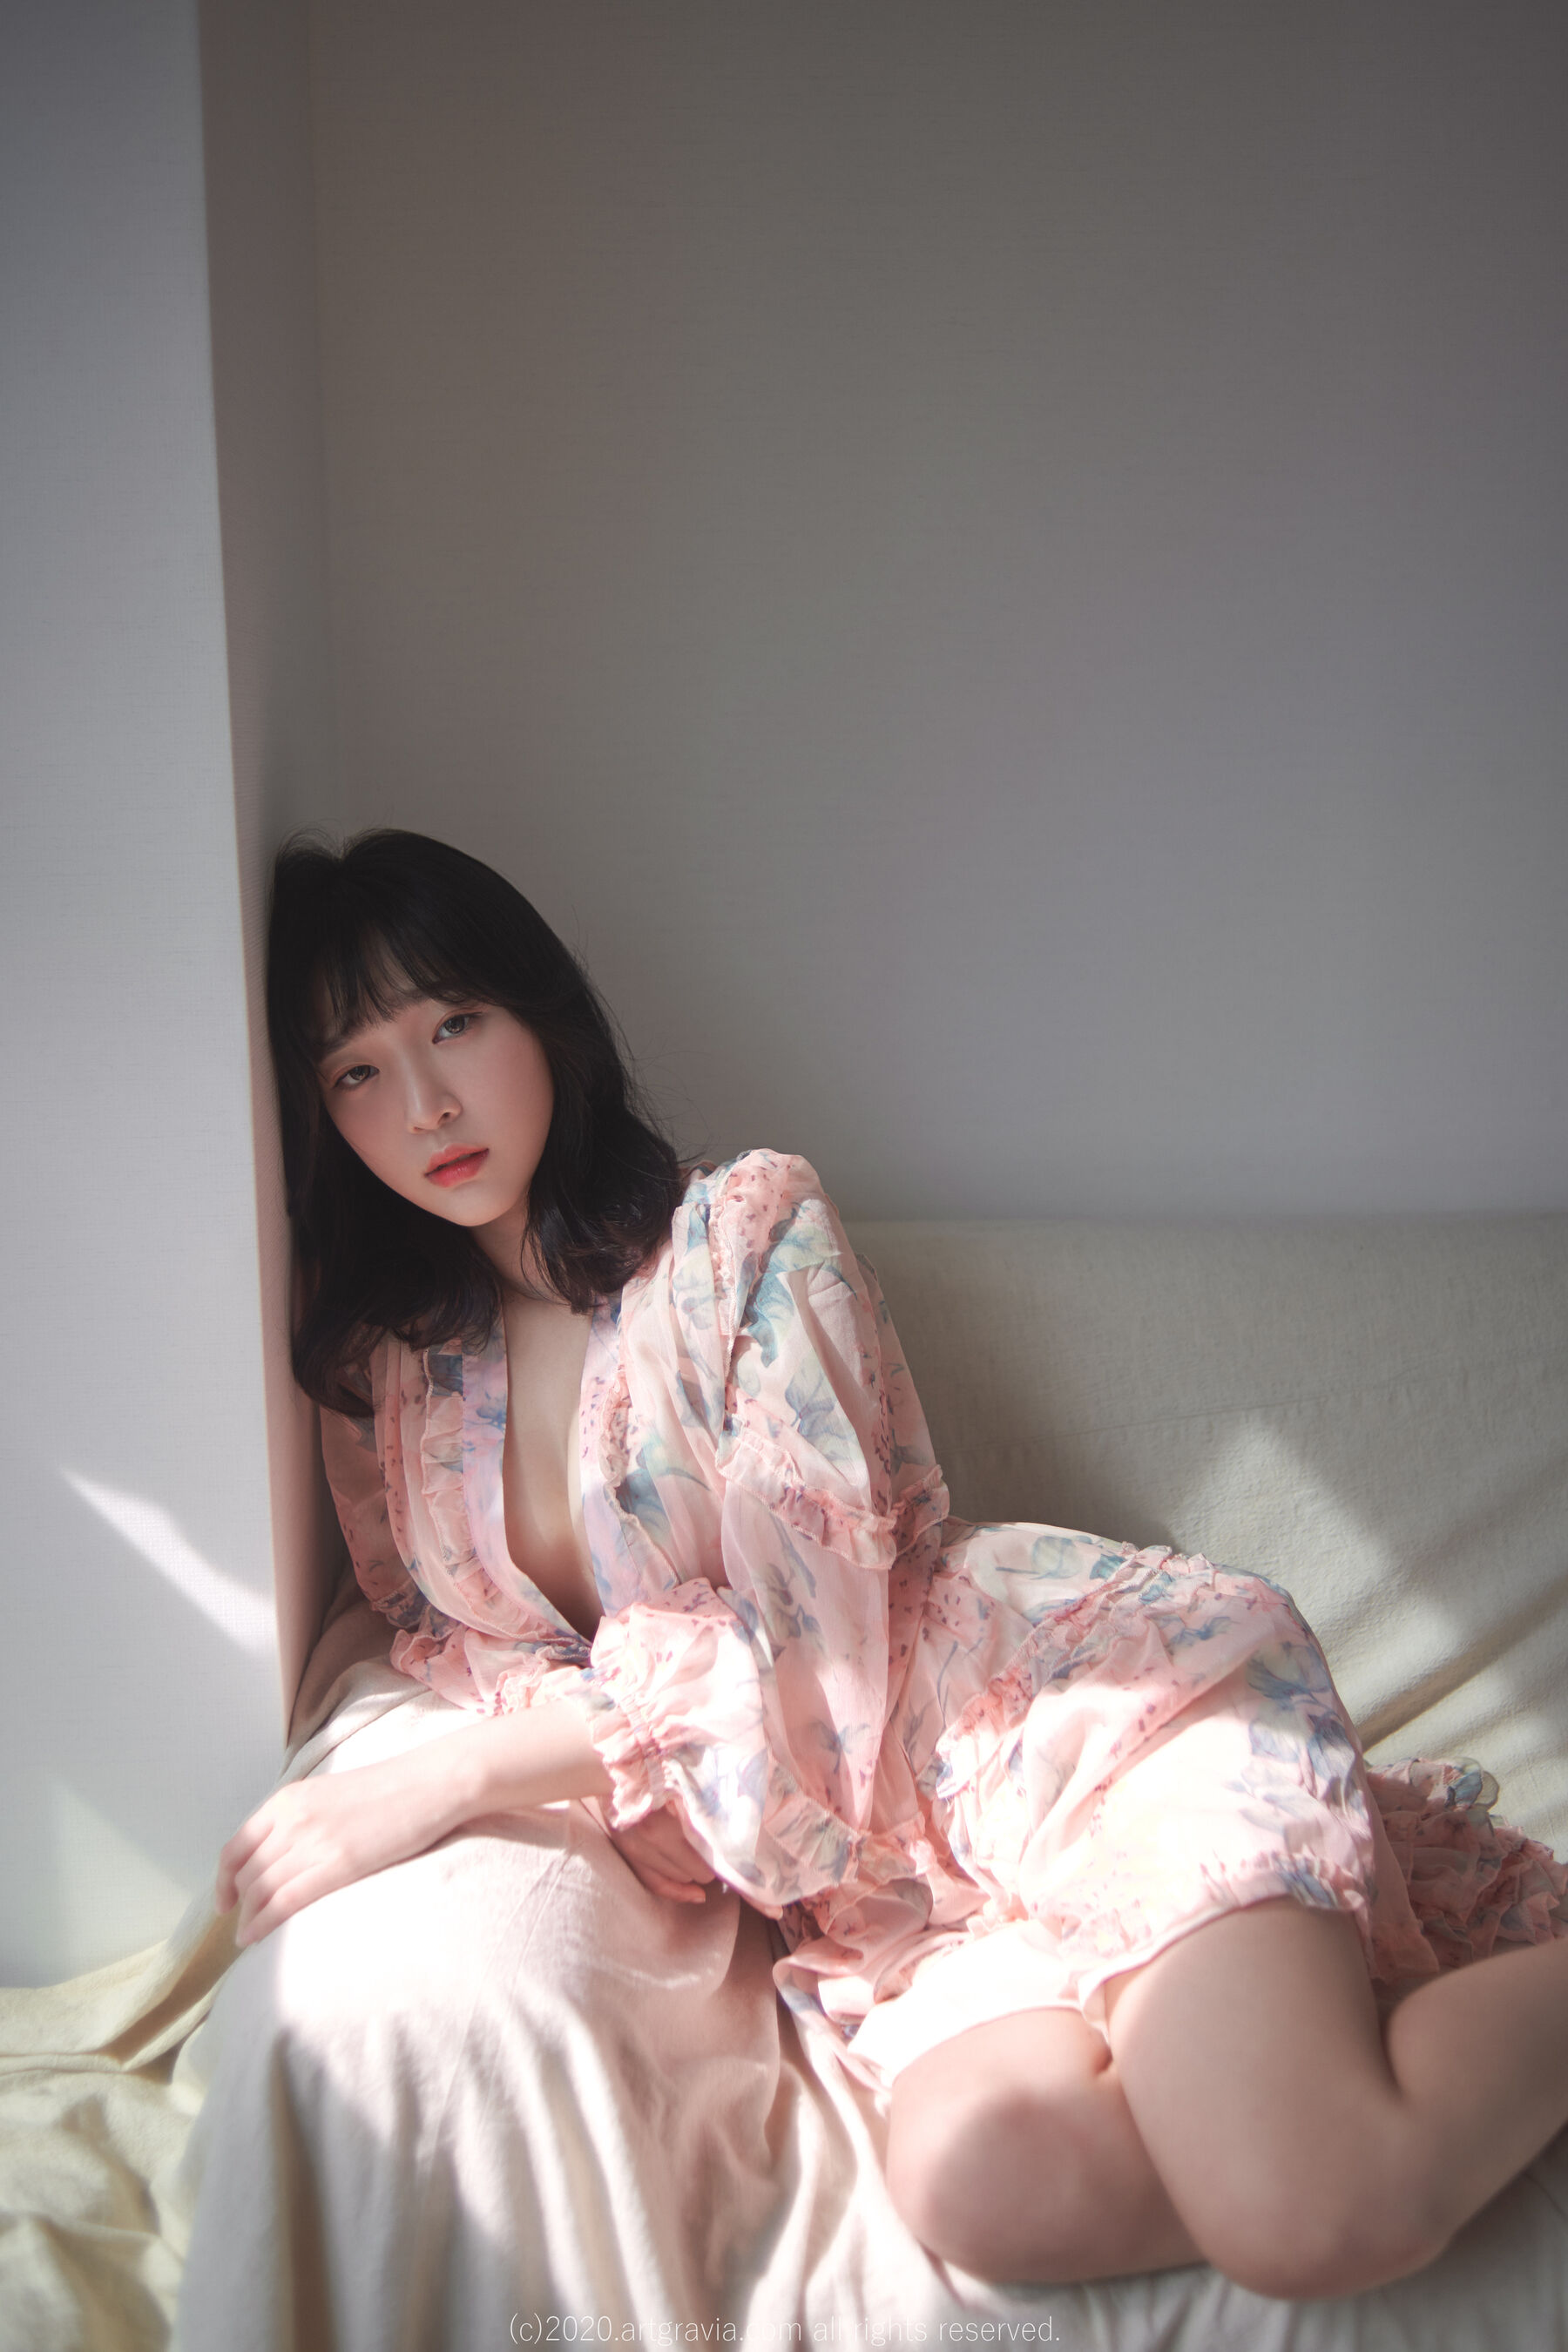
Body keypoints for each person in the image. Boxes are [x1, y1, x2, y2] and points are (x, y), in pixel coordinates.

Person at [225, 822, 1568, 2301]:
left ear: (541, 1013)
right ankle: (1292, 2050)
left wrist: (449, 1781)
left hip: (1074, 1723)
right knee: (990, 2191)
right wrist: (541, 1759)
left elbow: (813, 1648)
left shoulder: (744, 1234)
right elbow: (470, 1650)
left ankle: (1307, 2085)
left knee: (1309, 2210)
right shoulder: (392, 1384)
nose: (425, 1104)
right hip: (896, 1895)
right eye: (356, 1071)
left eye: (453, 1024)